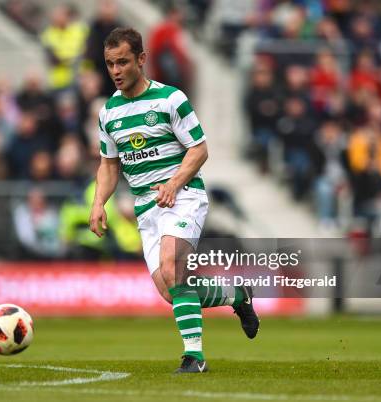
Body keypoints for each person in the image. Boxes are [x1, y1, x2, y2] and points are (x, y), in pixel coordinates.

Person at [89, 28, 259, 374]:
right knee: (171, 290)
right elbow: (109, 165)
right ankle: (237, 295)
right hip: (145, 208)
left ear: (141, 59)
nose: (116, 70)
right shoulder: (108, 113)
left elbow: (199, 149)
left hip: (183, 196)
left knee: (172, 268)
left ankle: (194, 357)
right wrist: (98, 204)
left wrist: (173, 183)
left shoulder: (171, 99)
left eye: (122, 62)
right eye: (110, 64)